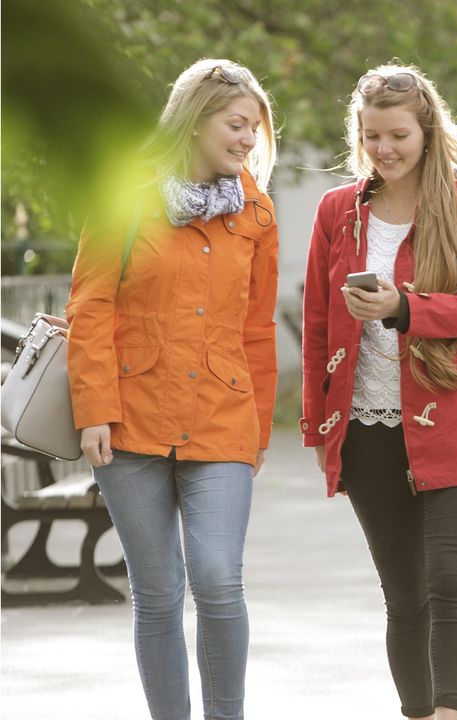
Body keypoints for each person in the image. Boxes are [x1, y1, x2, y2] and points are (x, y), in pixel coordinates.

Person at [300, 64, 457, 720]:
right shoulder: (338, 210)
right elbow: (315, 322)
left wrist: (404, 309)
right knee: (404, 594)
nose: (385, 150)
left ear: (427, 130)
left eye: (398, 135)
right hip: (365, 427)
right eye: (372, 137)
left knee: (452, 580)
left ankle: (451, 712)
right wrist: (316, 427)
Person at [66, 58, 278, 719]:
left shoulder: (257, 213)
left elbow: (258, 329)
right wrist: (94, 409)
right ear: (195, 118)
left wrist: (258, 431)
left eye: (254, 129)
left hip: (222, 420)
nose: (247, 139)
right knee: (157, 592)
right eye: (236, 124)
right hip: (129, 420)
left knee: (218, 579)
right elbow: (91, 304)